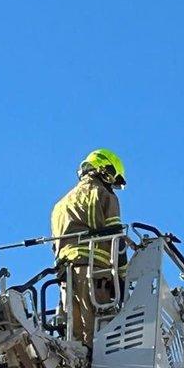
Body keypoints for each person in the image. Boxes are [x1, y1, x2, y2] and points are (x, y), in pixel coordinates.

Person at [51, 149, 127, 349]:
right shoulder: (103, 195)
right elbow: (115, 237)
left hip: (65, 274)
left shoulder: (60, 205)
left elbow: (55, 245)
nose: (112, 184)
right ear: (105, 170)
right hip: (95, 273)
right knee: (97, 333)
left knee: (72, 335)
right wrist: (123, 278)